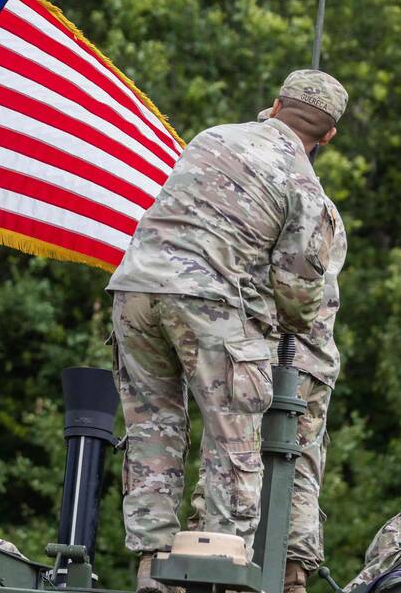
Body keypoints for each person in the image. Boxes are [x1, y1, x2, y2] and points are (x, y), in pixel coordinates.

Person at [105, 70, 348, 593]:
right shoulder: (306, 187)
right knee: (232, 441)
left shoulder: (211, 137)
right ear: (328, 135)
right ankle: (218, 570)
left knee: (153, 432)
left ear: (274, 104)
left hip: (135, 291)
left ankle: (152, 565)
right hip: (210, 304)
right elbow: (298, 293)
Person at [190, 108, 350, 593]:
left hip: (285, 347)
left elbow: (293, 290)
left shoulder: (295, 197)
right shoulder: (309, 197)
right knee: (286, 460)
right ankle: (283, 571)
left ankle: (254, 566)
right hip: (293, 349)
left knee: (238, 452)